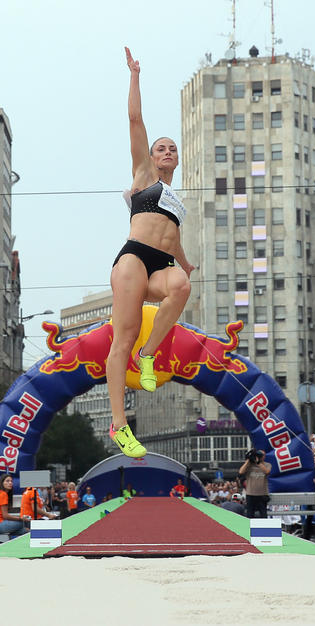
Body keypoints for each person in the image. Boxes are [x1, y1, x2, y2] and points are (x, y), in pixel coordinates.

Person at [106, 46, 195, 460]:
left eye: (172, 148)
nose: (167, 151)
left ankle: (148, 354)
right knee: (120, 337)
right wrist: (134, 75)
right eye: (162, 147)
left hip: (162, 263)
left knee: (181, 285)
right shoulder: (144, 174)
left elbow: (173, 239)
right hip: (134, 258)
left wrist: (187, 261)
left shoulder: (176, 196)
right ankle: (119, 424)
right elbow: (135, 120)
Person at [0, 474, 25, 538]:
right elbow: (5, 516)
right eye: (7, 481)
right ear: (2, 483)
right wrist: (20, 518)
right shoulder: (3, 494)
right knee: (22, 523)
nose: (10, 483)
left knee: (23, 530)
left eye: (11, 481)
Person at [239, 448, 271, 519]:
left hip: (262, 493)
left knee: (263, 514)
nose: (260, 457)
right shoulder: (249, 466)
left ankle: (263, 529)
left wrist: (258, 463)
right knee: (250, 514)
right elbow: (241, 472)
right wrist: (248, 461)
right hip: (250, 493)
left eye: (261, 455)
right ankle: (249, 529)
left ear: (264, 457)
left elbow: (267, 472)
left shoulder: (267, 464)